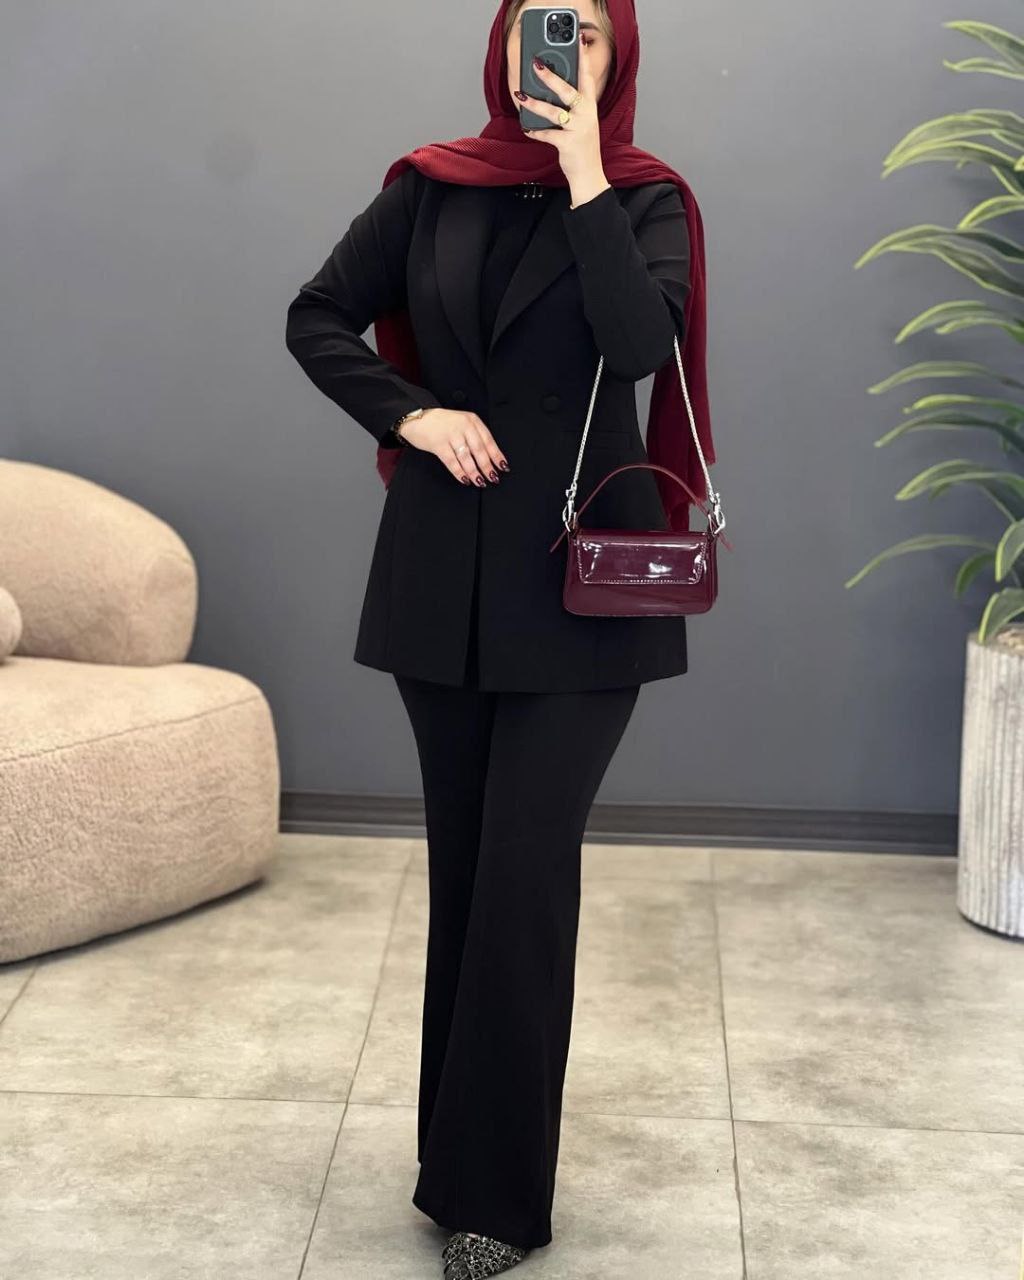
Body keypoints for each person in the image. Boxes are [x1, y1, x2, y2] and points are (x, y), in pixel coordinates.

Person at [285, 1, 713, 1275]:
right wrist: (410, 415)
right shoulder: (430, 187)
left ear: (617, 57)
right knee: (470, 876)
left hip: (581, 592)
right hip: (442, 583)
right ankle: (455, 1166)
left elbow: (640, 346)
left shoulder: (646, 198)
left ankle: (496, 1201)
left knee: (526, 881)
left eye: (581, 31)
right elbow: (317, 314)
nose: (554, 51)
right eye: (536, 24)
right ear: (500, 43)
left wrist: (584, 175)